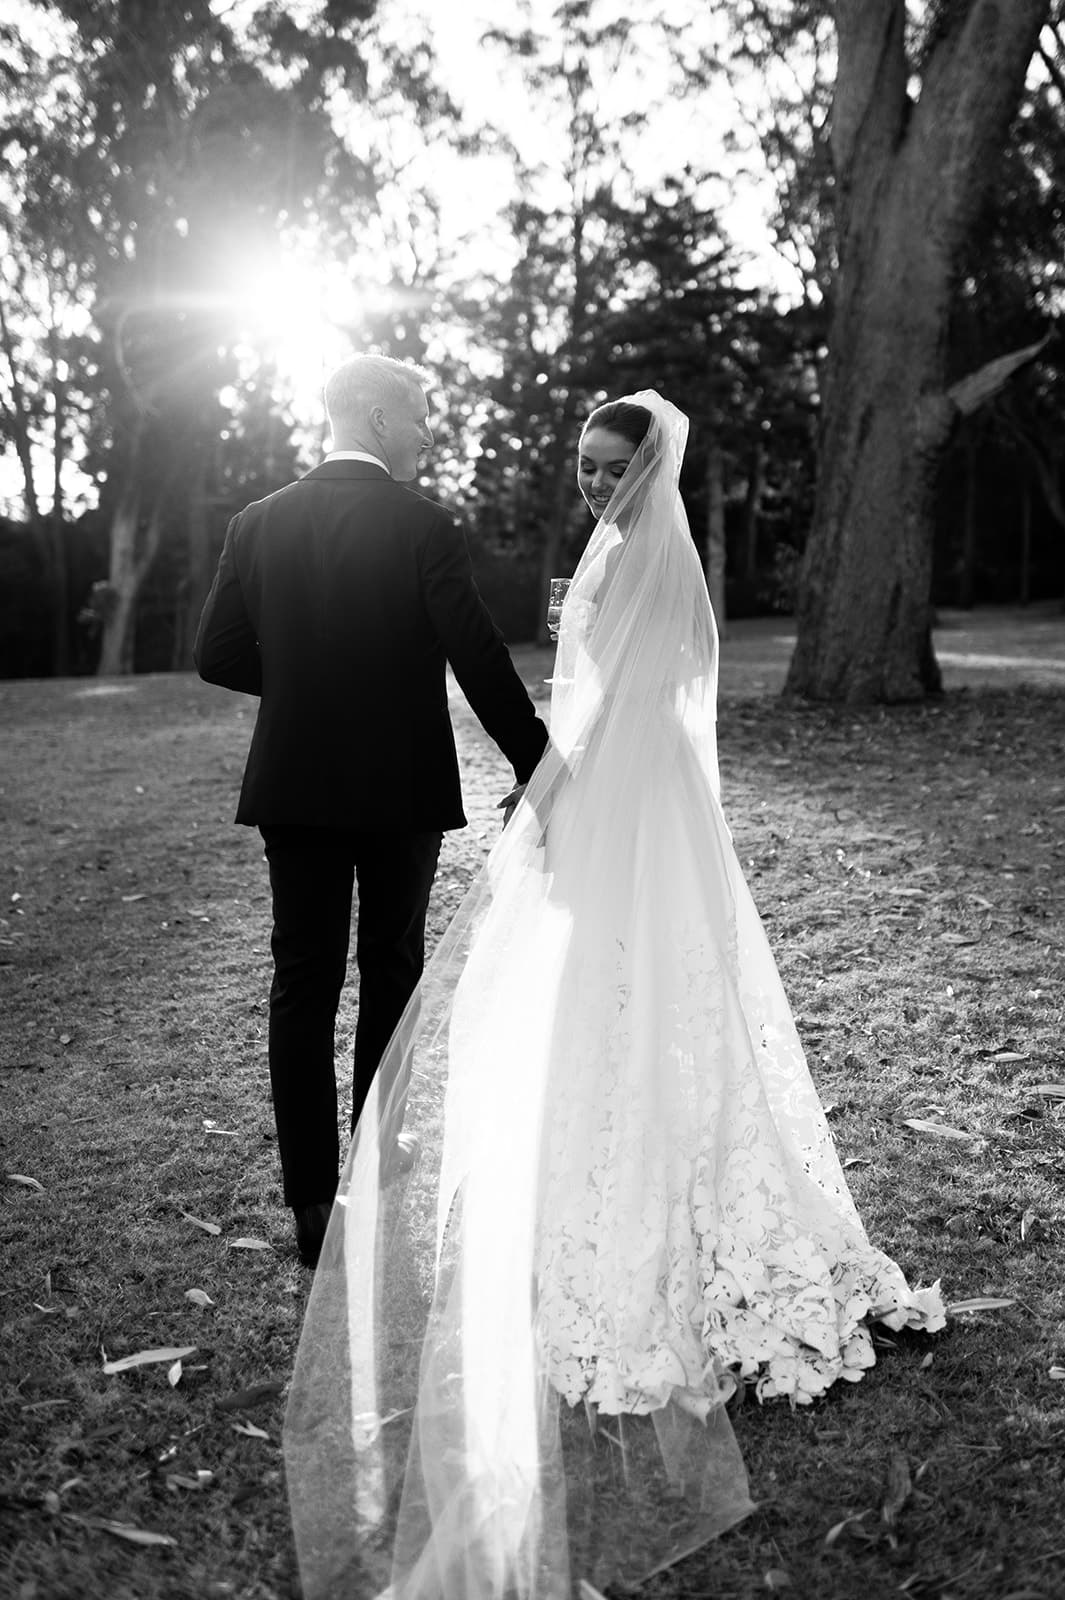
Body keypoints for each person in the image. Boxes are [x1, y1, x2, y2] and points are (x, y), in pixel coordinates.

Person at [282, 391, 945, 1599]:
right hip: (604, 794)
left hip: (630, 810)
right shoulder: (615, 546)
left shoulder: (658, 557)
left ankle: (658, 1215)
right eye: (583, 465)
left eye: (609, 467)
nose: (592, 483)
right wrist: (553, 779)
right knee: (596, 1018)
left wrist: (555, 794)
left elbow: (636, 707)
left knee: (629, 1008)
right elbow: (589, 688)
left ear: (651, 468)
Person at [194, 353, 549, 1267]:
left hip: (297, 784)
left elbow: (217, 652)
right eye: (423, 414)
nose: (430, 431)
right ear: (383, 420)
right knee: (391, 968)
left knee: (301, 982)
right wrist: (539, 762)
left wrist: (309, 685)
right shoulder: (422, 524)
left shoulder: (257, 522)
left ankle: (312, 1206)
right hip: (399, 787)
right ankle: (372, 1175)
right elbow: (475, 653)